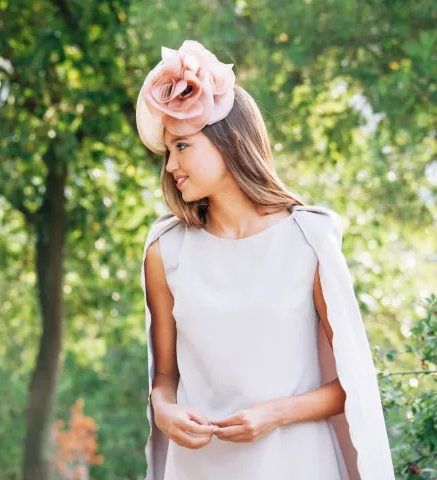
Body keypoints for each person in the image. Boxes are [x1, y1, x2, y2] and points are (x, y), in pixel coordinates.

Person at [136, 40, 394, 480]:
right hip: (199, 468)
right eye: (167, 153)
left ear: (231, 142)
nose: (171, 168)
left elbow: (354, 383)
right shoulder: (166, 250)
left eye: (183, 147)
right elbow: (164, 375)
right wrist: (163, 411)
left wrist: (274, 414)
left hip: (295, 463)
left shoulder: (308, 239)